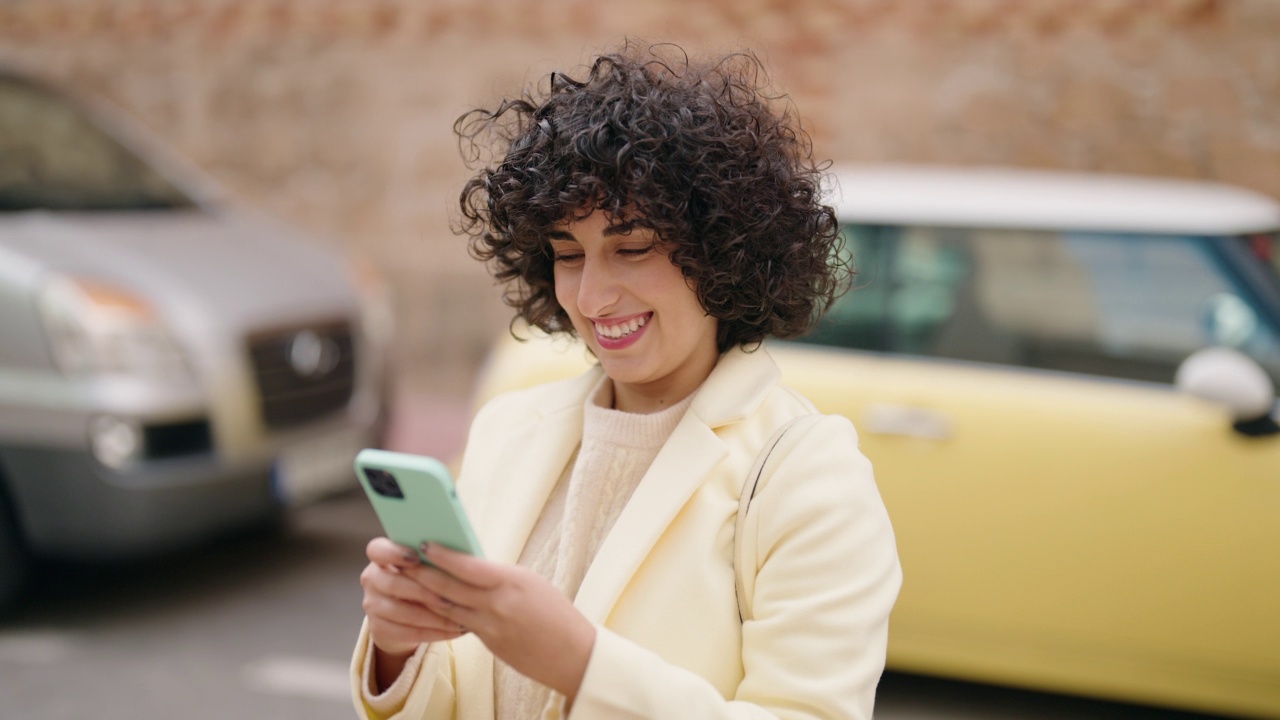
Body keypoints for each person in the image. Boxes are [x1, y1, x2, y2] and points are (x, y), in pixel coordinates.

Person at [351, 42, 902, 720]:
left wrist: (581, 665)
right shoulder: (509, 429)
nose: (592, 296)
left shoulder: (809, 475)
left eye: (633, 248)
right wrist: (398, 651)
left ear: (723, 250)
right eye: (567, 255)